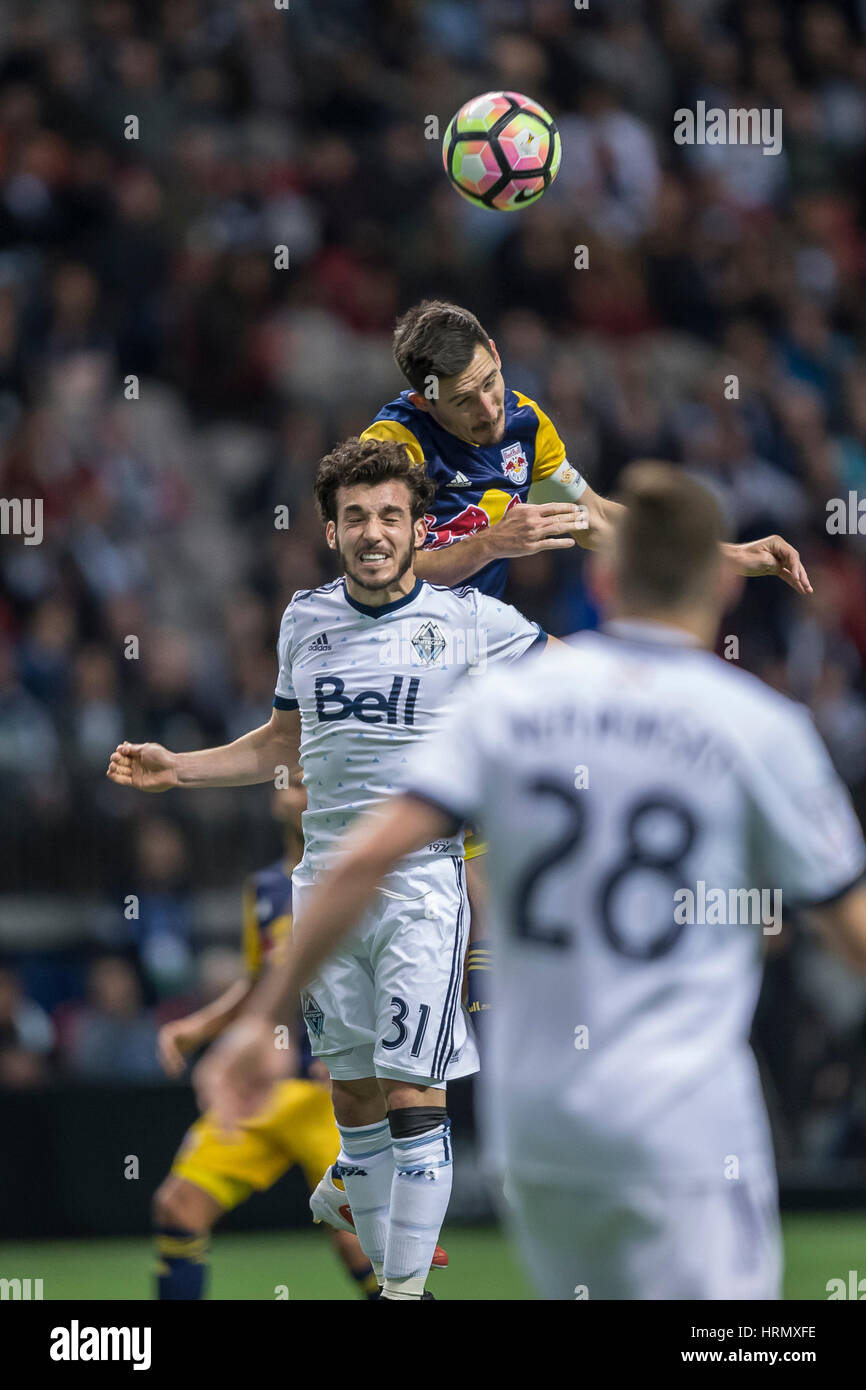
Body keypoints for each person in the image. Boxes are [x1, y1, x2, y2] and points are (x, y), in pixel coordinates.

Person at [199, 462, 866, 1300]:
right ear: (722, 594)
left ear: (601, 577)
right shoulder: (760, 726)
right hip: (685, 1118)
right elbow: (848, 930)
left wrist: (259, 1018)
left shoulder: (508, 708)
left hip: (542, 1126)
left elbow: (367, 855)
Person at [108, 435, 552, 1300]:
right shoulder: (305, 622)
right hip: (324, 887)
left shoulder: (470, 622)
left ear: (420, 528)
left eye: (391, 515)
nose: (374, 532)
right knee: (353, 1104)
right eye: (356, 517)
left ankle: (404, 1294)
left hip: (421, 881)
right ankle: (367, 1228)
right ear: (330, 531)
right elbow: (280, 745)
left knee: (410, 1093)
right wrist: (181, 767)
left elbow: (582, 682)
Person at [151, 784, 381, 1300]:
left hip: (331, 1093)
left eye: (301, 779)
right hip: (262, 1089)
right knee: (178, 1206)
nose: (288, 786)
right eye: (285, 778)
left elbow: (392, 977)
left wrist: (363, 1054)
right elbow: (260, 984)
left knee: (361, 1244)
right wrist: (200, 1027)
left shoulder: (359, 880)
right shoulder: (265, 888)